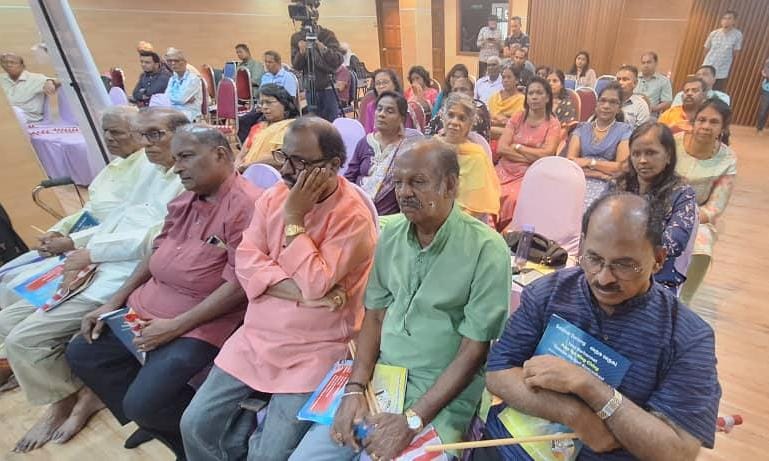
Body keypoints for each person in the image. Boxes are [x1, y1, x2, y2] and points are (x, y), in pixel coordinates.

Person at [290, 138, 511, 461]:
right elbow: (375, 316)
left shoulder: (487, 250)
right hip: (380, 385)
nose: (404, 192)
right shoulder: (390, 233)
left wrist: (412, 420)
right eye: (398, 182)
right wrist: (354, 389)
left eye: (417, 182)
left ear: (450, 186)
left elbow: (473, 351)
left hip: (438, 400)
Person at [180, 117, 378, 460]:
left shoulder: (353, 217)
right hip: (257, 334)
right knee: (194, 425)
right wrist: (305, 296)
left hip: (316, 346)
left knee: (269, 456)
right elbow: (246, 262)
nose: (285, 170)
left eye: (299, 162)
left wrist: (294, 220)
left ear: (333, 165)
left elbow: (315, 281)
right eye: (283, 156)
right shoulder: (273, 197)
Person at [66, 124, 262, 459]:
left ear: (220, 155)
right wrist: (113, 301)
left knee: (142, 403)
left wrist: (175, 327)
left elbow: (240, 286)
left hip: (201, 323)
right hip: (145, 308)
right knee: (84, 352)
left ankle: (192, 435)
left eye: (185, 157)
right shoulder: (185, 199)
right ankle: (168, 426)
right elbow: (156, 252)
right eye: (175, 159)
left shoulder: (246, 205)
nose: (176, 168)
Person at [478, 193, 721, 461]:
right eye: (593, 259)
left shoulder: (688, 338)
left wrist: (591, 388)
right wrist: (573, 414)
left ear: (659, 259)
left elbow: (678, 451)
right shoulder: (550, 292)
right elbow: (498, 372)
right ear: (582, 246)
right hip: (508, 448)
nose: (604, 278)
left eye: (624, 265)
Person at [0, 107, 188, 453]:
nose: (146, 144)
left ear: (180, 135)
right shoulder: (147, 169)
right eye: (142, 135)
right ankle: (74, 394)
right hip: (99, 263)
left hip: (127, 271)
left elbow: (156, 238)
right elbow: (113, 219)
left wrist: (87, 252)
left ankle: (71, 400)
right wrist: (75, 244)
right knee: (9, 318)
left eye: (153, 135)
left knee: (28, 341)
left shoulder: (187, 177)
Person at [614, 122, 697, 293]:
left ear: (668, 155)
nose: (642, 160)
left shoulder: (682, 193)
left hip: (656, 275)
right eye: (636, 154)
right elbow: (596, 222)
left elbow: (673, 243)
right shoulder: (619, 184)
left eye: (651, 153)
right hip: (611, 266)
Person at [675, 99, 736, 305]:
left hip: (697, 216)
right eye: (701, 120)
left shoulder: (727, 159)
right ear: (694, 122)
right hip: (662, 205)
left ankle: (682, 302)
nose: (706, 126)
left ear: (723, 127)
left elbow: (714, 207)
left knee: (702, 246)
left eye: (714, 122)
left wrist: (684, 219)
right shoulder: (673, 144)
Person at [495, 77, 561, 231]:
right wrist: (531, 156)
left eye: (539, 93)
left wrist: (518, 147)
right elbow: (501, 148)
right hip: (504, 169)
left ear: (547, 98)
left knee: (514, 199)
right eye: (531, 93)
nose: (534, 97)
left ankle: (507, 235)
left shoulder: (553, 124)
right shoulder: (517, 117)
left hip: (530, 174)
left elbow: (546, 155)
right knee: (488, 190)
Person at [345, 91, 422, 216]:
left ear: (401, 118)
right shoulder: (365, 142)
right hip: (357, 211)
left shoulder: (407, 149)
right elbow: (349, 179)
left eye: (389, 111)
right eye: (379, 109)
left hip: (388, 219)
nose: (381, 114)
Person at [568, 82, 632, 208]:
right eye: (602, 101)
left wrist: (589, 162)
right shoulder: (582, 128)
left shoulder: (624, 131)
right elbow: (571, 164)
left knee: (591, 209)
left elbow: (622, 168)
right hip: (579, 179)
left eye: (613, 102)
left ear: (619, 107)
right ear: (596, 104)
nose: (606, 106)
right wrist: (601, 174)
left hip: (608, 185)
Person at [438, 93, 500, 221]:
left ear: (470, 125)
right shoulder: (432, 148)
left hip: (463, 221)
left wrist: (449, 224)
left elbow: (475, 208)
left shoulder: (475, 156)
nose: (454, 122)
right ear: (443, 117)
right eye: (451, 115)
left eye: (462, 118)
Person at [291, 12, 344, 122]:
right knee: (314, 124)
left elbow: (338, 60)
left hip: (328, 87)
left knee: (331, 124)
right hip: (310, 89)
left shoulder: (327, 35)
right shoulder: (297, 38)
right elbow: (296, 66)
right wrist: (301, 53)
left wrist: (323, 49)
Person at [235, 84, 300, 170]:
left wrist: (249, 166)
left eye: (269, 102)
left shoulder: (291, 128)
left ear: (284, 104)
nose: (264, 107)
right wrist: (237, 166)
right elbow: (241, 155)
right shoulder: (258, 127)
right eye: (262, 103)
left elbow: (280, 158)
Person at [425, 77, 491, 141]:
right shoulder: (445, 108)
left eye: (463, 89)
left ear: (472, 93)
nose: (458, 92)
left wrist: (447, 133)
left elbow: (467, 135)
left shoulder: (479, 110)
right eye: (455, 90)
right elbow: (428, 130)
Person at [0, 52, 59, 122]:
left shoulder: (36, 78)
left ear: (22, 66)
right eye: (5, 63)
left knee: (15, 111)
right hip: (6, 116)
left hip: (28, 118)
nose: (8, 65)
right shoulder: (2, 78)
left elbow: (62, 80)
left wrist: (50, 81)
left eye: (12, 62)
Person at [360, 68, 415, 134]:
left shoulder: (402, 105)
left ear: (394, 84)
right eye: (378, 83)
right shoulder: (371, 106)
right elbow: (368, 133)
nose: (381, 86)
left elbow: (407, 133)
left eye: (385, 82)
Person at [703, 10, 743, 91]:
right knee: (703, 89)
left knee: (715, 92)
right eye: (724, 18)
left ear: (734, 21)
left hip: (722, 70)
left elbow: (736, 53)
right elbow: (706, 49)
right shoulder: (714, 33)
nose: (726, 21)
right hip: (708, 66)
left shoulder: (737, 35)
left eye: (729, 18)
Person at [163, 48, 202, 122]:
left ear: (185, 62)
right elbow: (166, 98)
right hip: (173, 112)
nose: (173, 63)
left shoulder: (193, 79)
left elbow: (181, 99)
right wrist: (181, 100)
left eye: (176, 61)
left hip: (189, 114)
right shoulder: (172, 79)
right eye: (169, 61)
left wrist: (178, 99)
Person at [488, 66, 525, 140]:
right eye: (503, 77)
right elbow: (488, 118)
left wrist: (497, 121)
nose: (505, 80)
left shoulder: (522, 99)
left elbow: (516, 123)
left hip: (511, 133)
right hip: (491, 131)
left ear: (517, 80)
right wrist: (502, 120)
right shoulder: (494, 97)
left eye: (509, 77)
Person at [638, 51, 673, 117]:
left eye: (649, 62)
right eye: (643, 63)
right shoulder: (634, 77)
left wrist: (653, 108)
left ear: (656, 63)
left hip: (650, 114)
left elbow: (667, 102)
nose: (646, 65)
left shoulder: (664, 81)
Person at [546, 69, 578, 139]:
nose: (551, 83)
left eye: (555, 81)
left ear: (562, 85)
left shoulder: (567, 104)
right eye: (548, 81)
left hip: (557, 138)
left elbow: (565, 130)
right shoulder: (541, 100)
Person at [757, 57, 769, 134]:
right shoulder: (768, 62)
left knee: (766, 110)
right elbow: (765, 73)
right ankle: (759, 128)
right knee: (763, 110)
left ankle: (761, 127)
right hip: (767, 90)